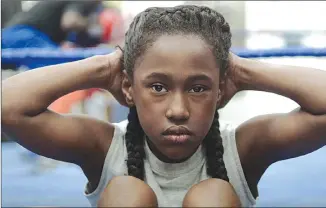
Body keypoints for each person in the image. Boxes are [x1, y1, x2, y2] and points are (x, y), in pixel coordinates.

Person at [2, 5, 326, 207]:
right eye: (158, 87)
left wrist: (242, 71)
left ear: (220, 90)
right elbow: (7, 107)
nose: (178, 110)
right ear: (129, 87)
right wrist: (103, 67)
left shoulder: (243, 148)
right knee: (127, 195)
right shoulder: (102, 147)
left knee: (212, 196)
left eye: (198, 88)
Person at [2, 1, 102, 49]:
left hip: (8, 34)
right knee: (59, 65)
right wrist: (90, 26)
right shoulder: (82, 2)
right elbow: (70, 22)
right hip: (23, 33)